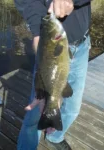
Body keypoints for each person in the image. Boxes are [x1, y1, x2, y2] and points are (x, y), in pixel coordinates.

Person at [14, 0, 91, 149]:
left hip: (81, 45)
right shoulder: (51, 32)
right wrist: (37, 31)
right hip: (48, 52)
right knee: (35, 113)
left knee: (73, 109)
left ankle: (55, 137)